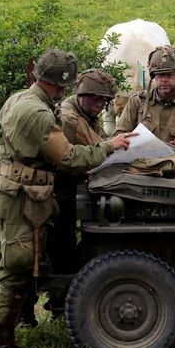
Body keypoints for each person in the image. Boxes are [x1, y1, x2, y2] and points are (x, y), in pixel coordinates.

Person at [0, 49, 134, 348]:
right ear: (64, 84)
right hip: (23, 200)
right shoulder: (38, 113)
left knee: (9, 269)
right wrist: (108, 147)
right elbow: (68, 158)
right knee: (15, 271)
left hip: (13, 193)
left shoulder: (18, 99)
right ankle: (4, 346)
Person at [43, 69, 117, 317]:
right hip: (57, 194)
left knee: (65, 249)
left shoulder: (86, 114)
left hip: (72, 192)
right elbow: (70, 158)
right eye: (94, 98)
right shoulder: (70, 119)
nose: (99, 104)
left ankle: (61, 303)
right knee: (55, 250)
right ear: (80, 93)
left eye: (103, 100)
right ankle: (55, 304)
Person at [114, 45, 175, 149]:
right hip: (142, 161)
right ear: (154, 76)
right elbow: (119, 135)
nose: (164, 80)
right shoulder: (137, 102)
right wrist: (130, 140)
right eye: (160, 75)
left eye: (169, 75)